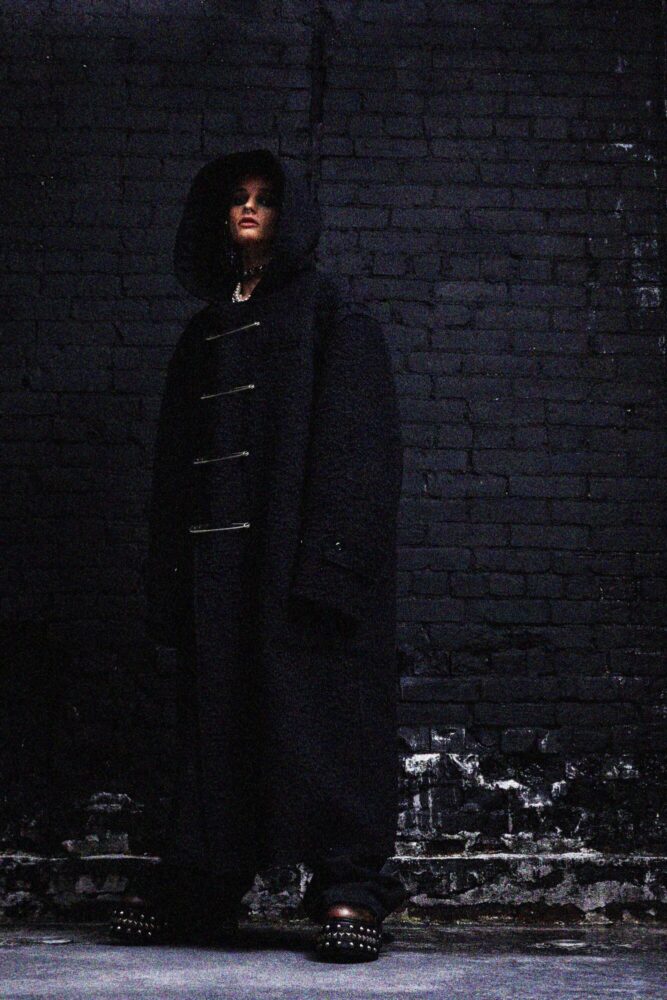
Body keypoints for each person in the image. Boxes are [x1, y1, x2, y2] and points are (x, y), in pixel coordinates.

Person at [108, 148, 409, 961]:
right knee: (217, 728)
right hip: (217, 572)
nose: (249, 209)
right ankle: (205, 885)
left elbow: (359, 450)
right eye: (237, 198)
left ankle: (349, 890)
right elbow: (176, 463)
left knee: (323, 726)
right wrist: (171, 579)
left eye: (265, 199)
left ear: (290, 214)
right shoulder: (205, 328)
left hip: (290, 566)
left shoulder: (332, 315)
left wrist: (331, 567)